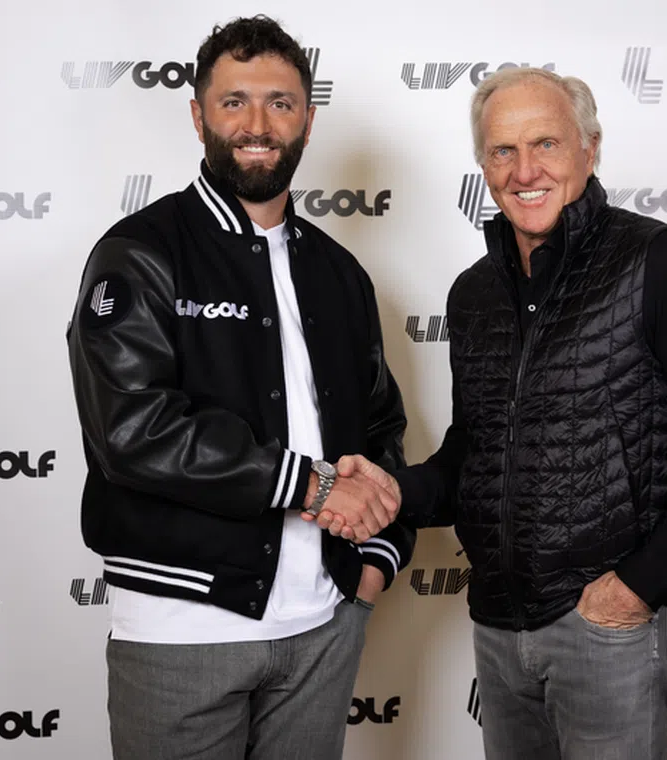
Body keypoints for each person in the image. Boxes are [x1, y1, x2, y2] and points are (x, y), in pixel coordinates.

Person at [330, 67, 667, 759]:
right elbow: (475, 454)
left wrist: (637, 588)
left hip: (608, 629)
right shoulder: (474, 294)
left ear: (589, 151)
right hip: (500, 632)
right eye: (502, 151)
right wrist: (391, 491)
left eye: (546, 144)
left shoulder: (661, 262)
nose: (524, 169)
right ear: (483, 165)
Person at [66, 15, 414, 760]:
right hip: (183, 633)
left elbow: (381, 426)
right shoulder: (140, 252)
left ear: (308, 120)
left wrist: (377, 563)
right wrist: (311, 488)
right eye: (234, 102)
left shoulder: (339, 271)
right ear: (198, 115)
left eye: (281, 103)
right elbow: (132, 430)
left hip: (323, 627)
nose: (258, 125)